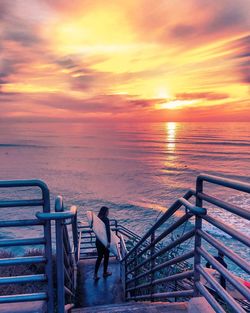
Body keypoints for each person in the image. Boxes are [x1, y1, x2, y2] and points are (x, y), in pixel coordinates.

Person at [94, 206, 112, 280]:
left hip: (98, 241)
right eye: (108, 211)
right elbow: (108, 231)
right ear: (105, 212)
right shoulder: (106, 219)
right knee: (106, 257)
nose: (108, 213)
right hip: (104, 242)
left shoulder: (97, 219)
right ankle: (105, 273)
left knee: (99, 257)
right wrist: (109, 241)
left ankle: (95, 274)